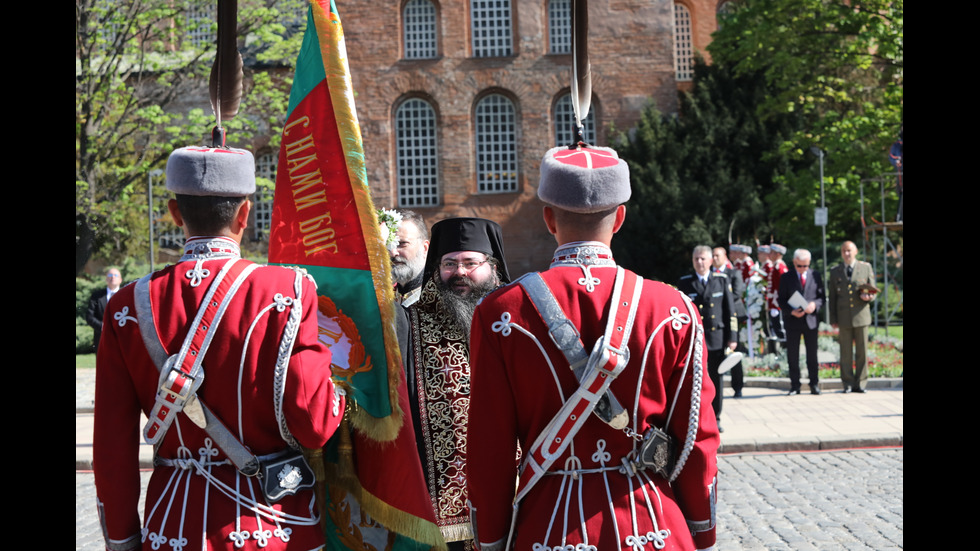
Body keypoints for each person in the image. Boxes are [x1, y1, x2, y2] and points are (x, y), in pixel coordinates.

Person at [467, 145, 719, 551]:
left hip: (548, 530)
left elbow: (488, 448)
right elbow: (696, 438)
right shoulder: (674, 309)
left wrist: (492, 539)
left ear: (548, 218)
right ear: (620, 217)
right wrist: (701, 532)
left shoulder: (501, 312)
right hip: (651, 524)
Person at [93, 146, 346, 551]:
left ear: (176, 214)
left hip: (173, 526)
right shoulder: (290, 291)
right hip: (274, 526)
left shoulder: (127, 306)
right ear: (245, 214)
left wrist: (122, 539)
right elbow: (314, 424)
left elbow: (111, 445)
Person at [406, 216, 511, 550]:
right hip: (434, 504)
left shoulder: (514, 322)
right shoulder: (410, 323)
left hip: (514, 488)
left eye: (470, 263)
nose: (460, 273)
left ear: (492, 266)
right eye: (449, 263)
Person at [679, 246, 738, 429]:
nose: (700, 262)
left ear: (711, 261)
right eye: (696, 259)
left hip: (717, 338)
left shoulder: (721, 280)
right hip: (695, 340)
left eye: (703, 259)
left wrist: (733, 337)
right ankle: (696, 417)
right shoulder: (685, 283)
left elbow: (730, 312)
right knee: (694, 379)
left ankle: (716, 416)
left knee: (716, 379)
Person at [828, 241, 877, 393]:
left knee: (862, 351)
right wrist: (833, 319)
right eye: (844, 251)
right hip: (844, 317)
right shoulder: (835, 271)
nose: (846, 254)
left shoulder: (865, 268)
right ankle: (848, 383)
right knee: (845, 353)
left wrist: (868, 297)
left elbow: (873, 291)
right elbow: (833, 297)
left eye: (849, 251)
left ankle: (861, 383)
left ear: (855, 251)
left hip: (861, 316)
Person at [778, 248, 826, 395]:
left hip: (810, 320)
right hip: (793, 321)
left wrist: (814, 305)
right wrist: (791, 311)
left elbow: (821, 297)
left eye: (805, 266)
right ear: (794, 262)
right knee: (793, 355)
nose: (802, 269)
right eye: (799, 266)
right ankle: (795, 385)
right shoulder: (786, 277)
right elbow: (781, 299)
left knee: (812, 355)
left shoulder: (815, 275)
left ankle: (814, 384)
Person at [713, 246, 747, 398]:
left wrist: (720, 303)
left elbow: (737, 293)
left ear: (725, 256)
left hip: (732, 317)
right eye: (712, 256)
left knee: (734, 352)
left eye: (717, 255)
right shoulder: (710, 275)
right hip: (716, 319)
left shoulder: (733, 273)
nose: (714, 258)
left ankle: (737, 386)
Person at [391, 210, 430, 307]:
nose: (393, 252)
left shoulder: (439, 296)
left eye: (402, 243)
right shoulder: (384, 295)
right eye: (389, 245)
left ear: (425, 248)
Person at [86, 267, 123, 353]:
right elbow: (89, 317)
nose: (112, 277)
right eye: (110, 275)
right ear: (106, 279)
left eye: (115, 275)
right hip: (101, 339)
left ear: (120, 280)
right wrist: (103, 327)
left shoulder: (126, 296)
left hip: (122, 339)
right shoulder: (96, 296)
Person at [766, 244, 789, 355]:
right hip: (773, 303)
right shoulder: (775, 266)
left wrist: (776, 302)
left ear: (778, 254)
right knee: (775, 328)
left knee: (781, 329)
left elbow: (782, 287)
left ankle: (785, 354)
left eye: (772, 253)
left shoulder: (780, 267)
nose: (769, 255)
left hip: (777, 304)